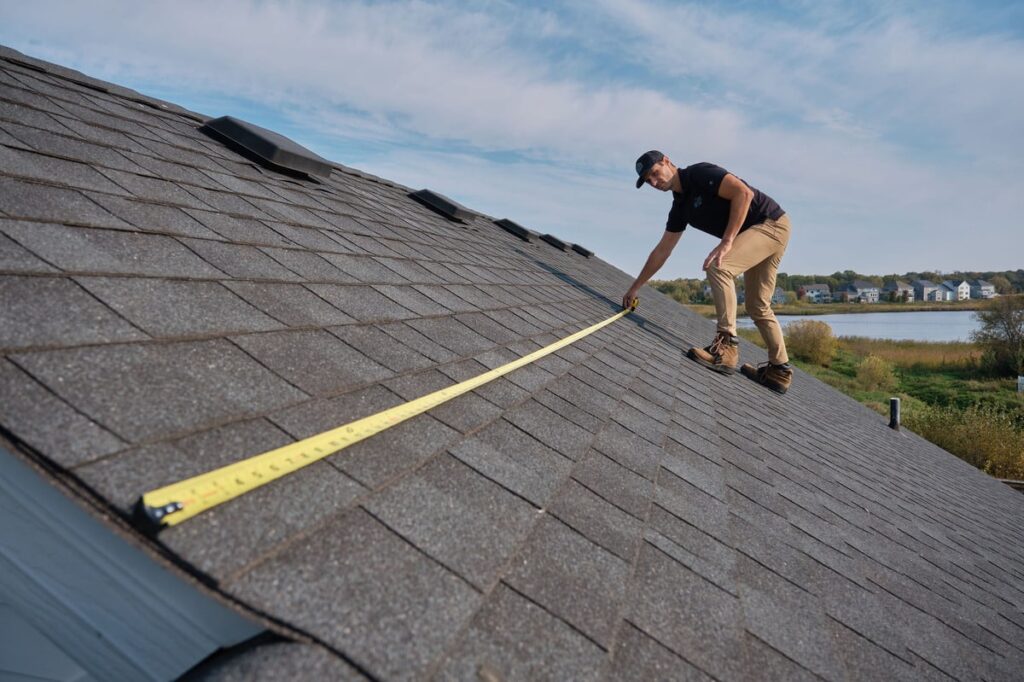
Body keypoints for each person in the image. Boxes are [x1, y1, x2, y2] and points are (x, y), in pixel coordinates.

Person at [622, 150, 794, 394]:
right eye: (648, 181)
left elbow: (743, 194)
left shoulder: (699, 174)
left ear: (667, 162)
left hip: (770, 223)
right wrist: (635, 286)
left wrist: (727, 241)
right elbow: (662, 251)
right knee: (758, 305)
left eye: (654, 173)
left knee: (718, 267)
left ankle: (726, 348)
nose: (653, 182)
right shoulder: (680, 207)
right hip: (765, 229)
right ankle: (780, 370)